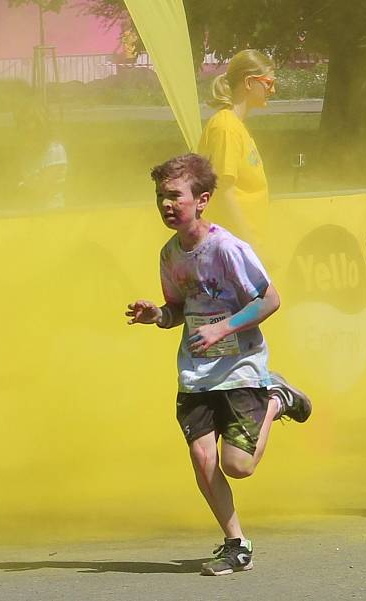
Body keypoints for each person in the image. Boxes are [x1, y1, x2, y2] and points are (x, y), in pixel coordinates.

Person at [126, 154, 311, 575]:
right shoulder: (170, 254)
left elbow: (270, 299)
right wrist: (156, 315)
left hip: (240, 367)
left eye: (175, 196)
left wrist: (223, 328)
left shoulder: (227, 248)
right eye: (160, 196)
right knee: (202, 458)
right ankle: (236, 543)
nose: (166, 205)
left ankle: (277, 398)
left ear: (203, 199)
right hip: (196, 372)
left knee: (238, 466)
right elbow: (177, 310)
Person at [197, 49, 275, 253]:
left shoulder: (236, 126)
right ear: (249, 82)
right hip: (230, 247)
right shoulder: (226, 127)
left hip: (239, 246)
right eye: (268, 83)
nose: (272, 90)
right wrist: (249, 244)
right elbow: (224, 190)